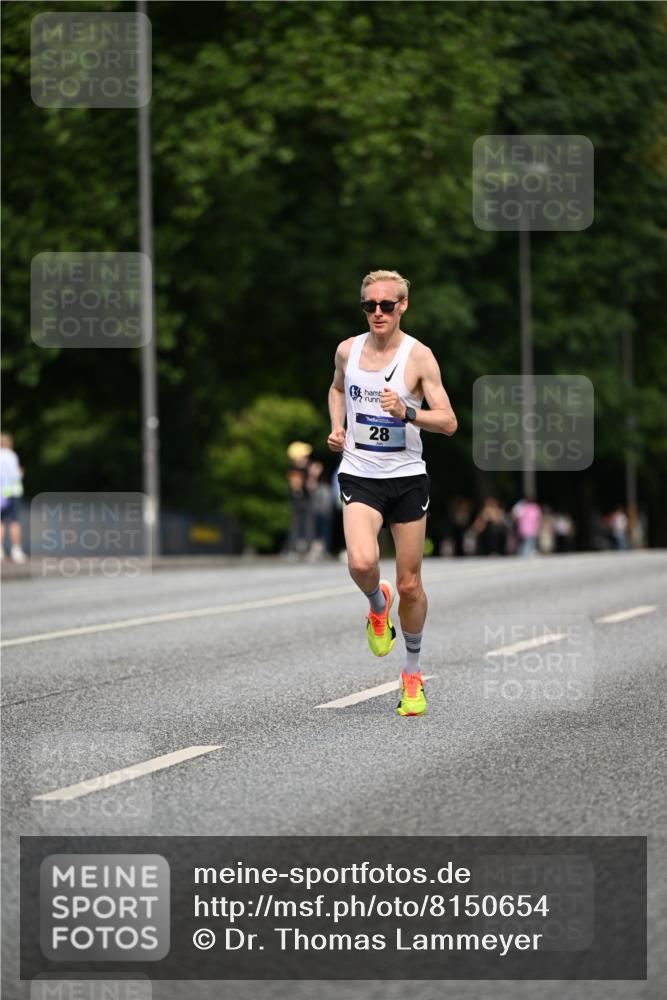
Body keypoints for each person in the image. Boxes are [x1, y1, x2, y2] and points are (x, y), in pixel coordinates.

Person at [327, 269, 457, 716]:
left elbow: (449, 421)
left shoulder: (419, 357)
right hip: (360, 473)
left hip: (406, 478)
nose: (377, 312)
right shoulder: (348, 350)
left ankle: (412, 673)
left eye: (386, 305)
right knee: (362, 563)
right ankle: (376, 604)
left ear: (403, 306)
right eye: (369, 305)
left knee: (411, 584)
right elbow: (336, 388)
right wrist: (337, 427)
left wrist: (406, 412)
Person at [0, 432, 27, 563]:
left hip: (1, 492)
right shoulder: (12, 456)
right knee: (14, 522)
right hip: (13, 491)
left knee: (1, 522)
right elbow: (15, 475)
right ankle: (16, 550)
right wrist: (21, 473)